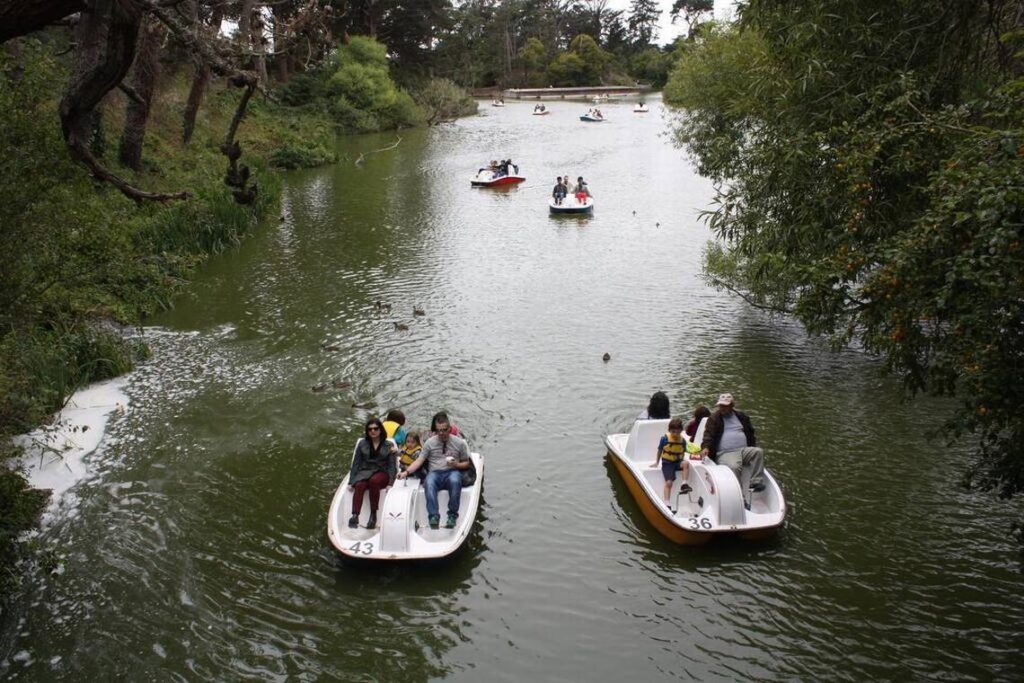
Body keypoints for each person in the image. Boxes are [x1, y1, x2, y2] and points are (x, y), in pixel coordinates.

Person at [397, 415, 471, 529]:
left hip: (452, 471)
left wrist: (456, 464)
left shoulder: (459, 443)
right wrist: (406, 472)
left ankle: (452, 515)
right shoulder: (429, 443)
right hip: (435, 473)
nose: (441, 433)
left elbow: (466, 463)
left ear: (449, 429)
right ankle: (433, 516)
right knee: (429, 482)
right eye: (439, 430)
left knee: (455, 480)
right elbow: (419, 460)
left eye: (444, 430)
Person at [700, 393, 766, 510]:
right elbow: (708, 435)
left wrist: (752, 445)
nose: (722, 408)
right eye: (721, 406)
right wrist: (705, 447)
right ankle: (741, 498)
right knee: (734, 466)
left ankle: (756, 482)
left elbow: (750, 433)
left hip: (743, 450)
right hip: (725, 453)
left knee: (758, 452)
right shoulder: (714, 418)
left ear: (732, 406)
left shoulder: (741, 416)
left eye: (725, 406)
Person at [348, 418, 398, 529]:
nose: (373, 431)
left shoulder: (388, 445)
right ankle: (355, 515)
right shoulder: (362, 444)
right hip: (365, 472)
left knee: (374, 481)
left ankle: (373, 514)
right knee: (359, 485)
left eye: (375, 428)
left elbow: (391, 466)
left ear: (380, 430)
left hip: (382, 472)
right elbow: (356, 463)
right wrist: (351, 481)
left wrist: (391, 482)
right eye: (370, 429)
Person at [651, 417, 692, 505]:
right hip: (667, 463)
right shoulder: (664, 439)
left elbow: (683, 451)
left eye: (678, 432)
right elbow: (659, 450)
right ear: (669, 430)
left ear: (681, 430)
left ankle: (684, 484)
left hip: (677, 462)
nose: (675, 434)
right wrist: (657, 462)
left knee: (686, 463)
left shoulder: (683, 441)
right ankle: (667, 503)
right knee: (669, 483)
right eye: (673, 432)